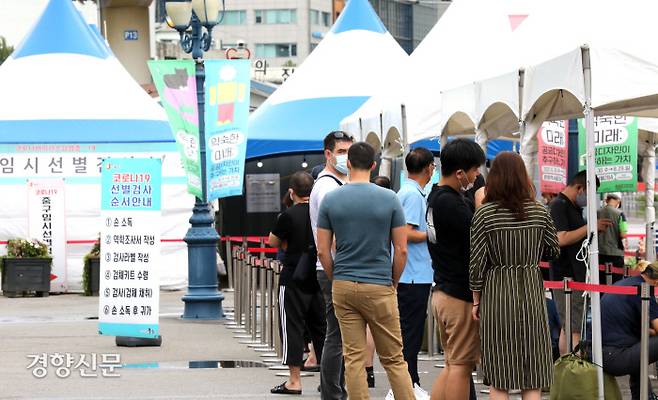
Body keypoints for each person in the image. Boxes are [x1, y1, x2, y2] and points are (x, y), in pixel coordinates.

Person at [316, 141, 415, 400]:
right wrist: (392, 281)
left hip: (344, 285)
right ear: (373, 165)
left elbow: (323, 251)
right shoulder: (390, 198)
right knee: (394, 359)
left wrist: (335, 276)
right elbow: (401, 249)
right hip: (379, 284)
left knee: (354, 359)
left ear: (347, 163)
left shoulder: (331, 200)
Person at [469, 152, 560, 400]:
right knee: (532, 374)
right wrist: (530, 252)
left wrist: (476, 301)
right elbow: (553, 250)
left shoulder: (484, 214)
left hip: (497, 293)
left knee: (500, 375)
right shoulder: (540, 211)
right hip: (531, 291)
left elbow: (476, 265)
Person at [426, 138, 485, 400]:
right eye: (474, 170)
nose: (477, 176)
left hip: (442, 289)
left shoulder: (435, 197)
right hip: (458, 294)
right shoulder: (451, 204)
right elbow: (478, 239)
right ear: (460, 172)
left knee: (452, 363)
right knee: (461, 366)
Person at [269, 172, 327, 396]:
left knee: (291, 327)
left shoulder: (287, 216)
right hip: (318, 275)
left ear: (291, 192)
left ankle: (294, 380)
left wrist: (285, 241)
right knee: (322, 328)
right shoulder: (320, 213)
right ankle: (328, 378)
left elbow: (273, 241)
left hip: (293, 276)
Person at [385, 148, 435, 400]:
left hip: (410, 273)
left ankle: (408, 381)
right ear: (428, 168)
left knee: (408, 332)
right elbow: (406, 232)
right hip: (414, 273)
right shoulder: (414, 195)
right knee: (411, 333)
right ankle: (406, 384)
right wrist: (433, 234)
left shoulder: (404, 192)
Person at [310, 131, 354, 400]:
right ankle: (333, 393)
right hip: (333, 267)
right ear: (328, 154)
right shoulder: (327, 188)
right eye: (341, 151)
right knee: (336, 336)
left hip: (332, 266)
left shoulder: (337, 184)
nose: (345, 156)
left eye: (349, 150)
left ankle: (335, 390)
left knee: (338, 335)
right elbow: (335, 238)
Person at [548, 170, 611, 354]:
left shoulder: (572, 207)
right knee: (573, 328)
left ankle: (568, 370)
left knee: (569, 327)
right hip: (566, 277)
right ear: (580, 188)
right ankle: (574, 371)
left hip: (574, 276)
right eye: (590, 193)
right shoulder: (558, 206)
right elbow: (561, 238)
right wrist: (590, 227)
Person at [602, 260, 658, 400]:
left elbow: (643, 329)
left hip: (603, 353)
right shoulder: (643, 290)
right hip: (614, 357)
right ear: (656, 282)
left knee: (641, 342)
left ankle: (644, 396)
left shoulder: (630, 283)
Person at [598, 192, 627, 283]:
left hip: (599, 253)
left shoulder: (597, 212)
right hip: (615, 253)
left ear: (606, 200)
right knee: (616, 284)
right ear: (618, 201)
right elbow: (623, 235)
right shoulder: (620, 214)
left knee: (601, 283)